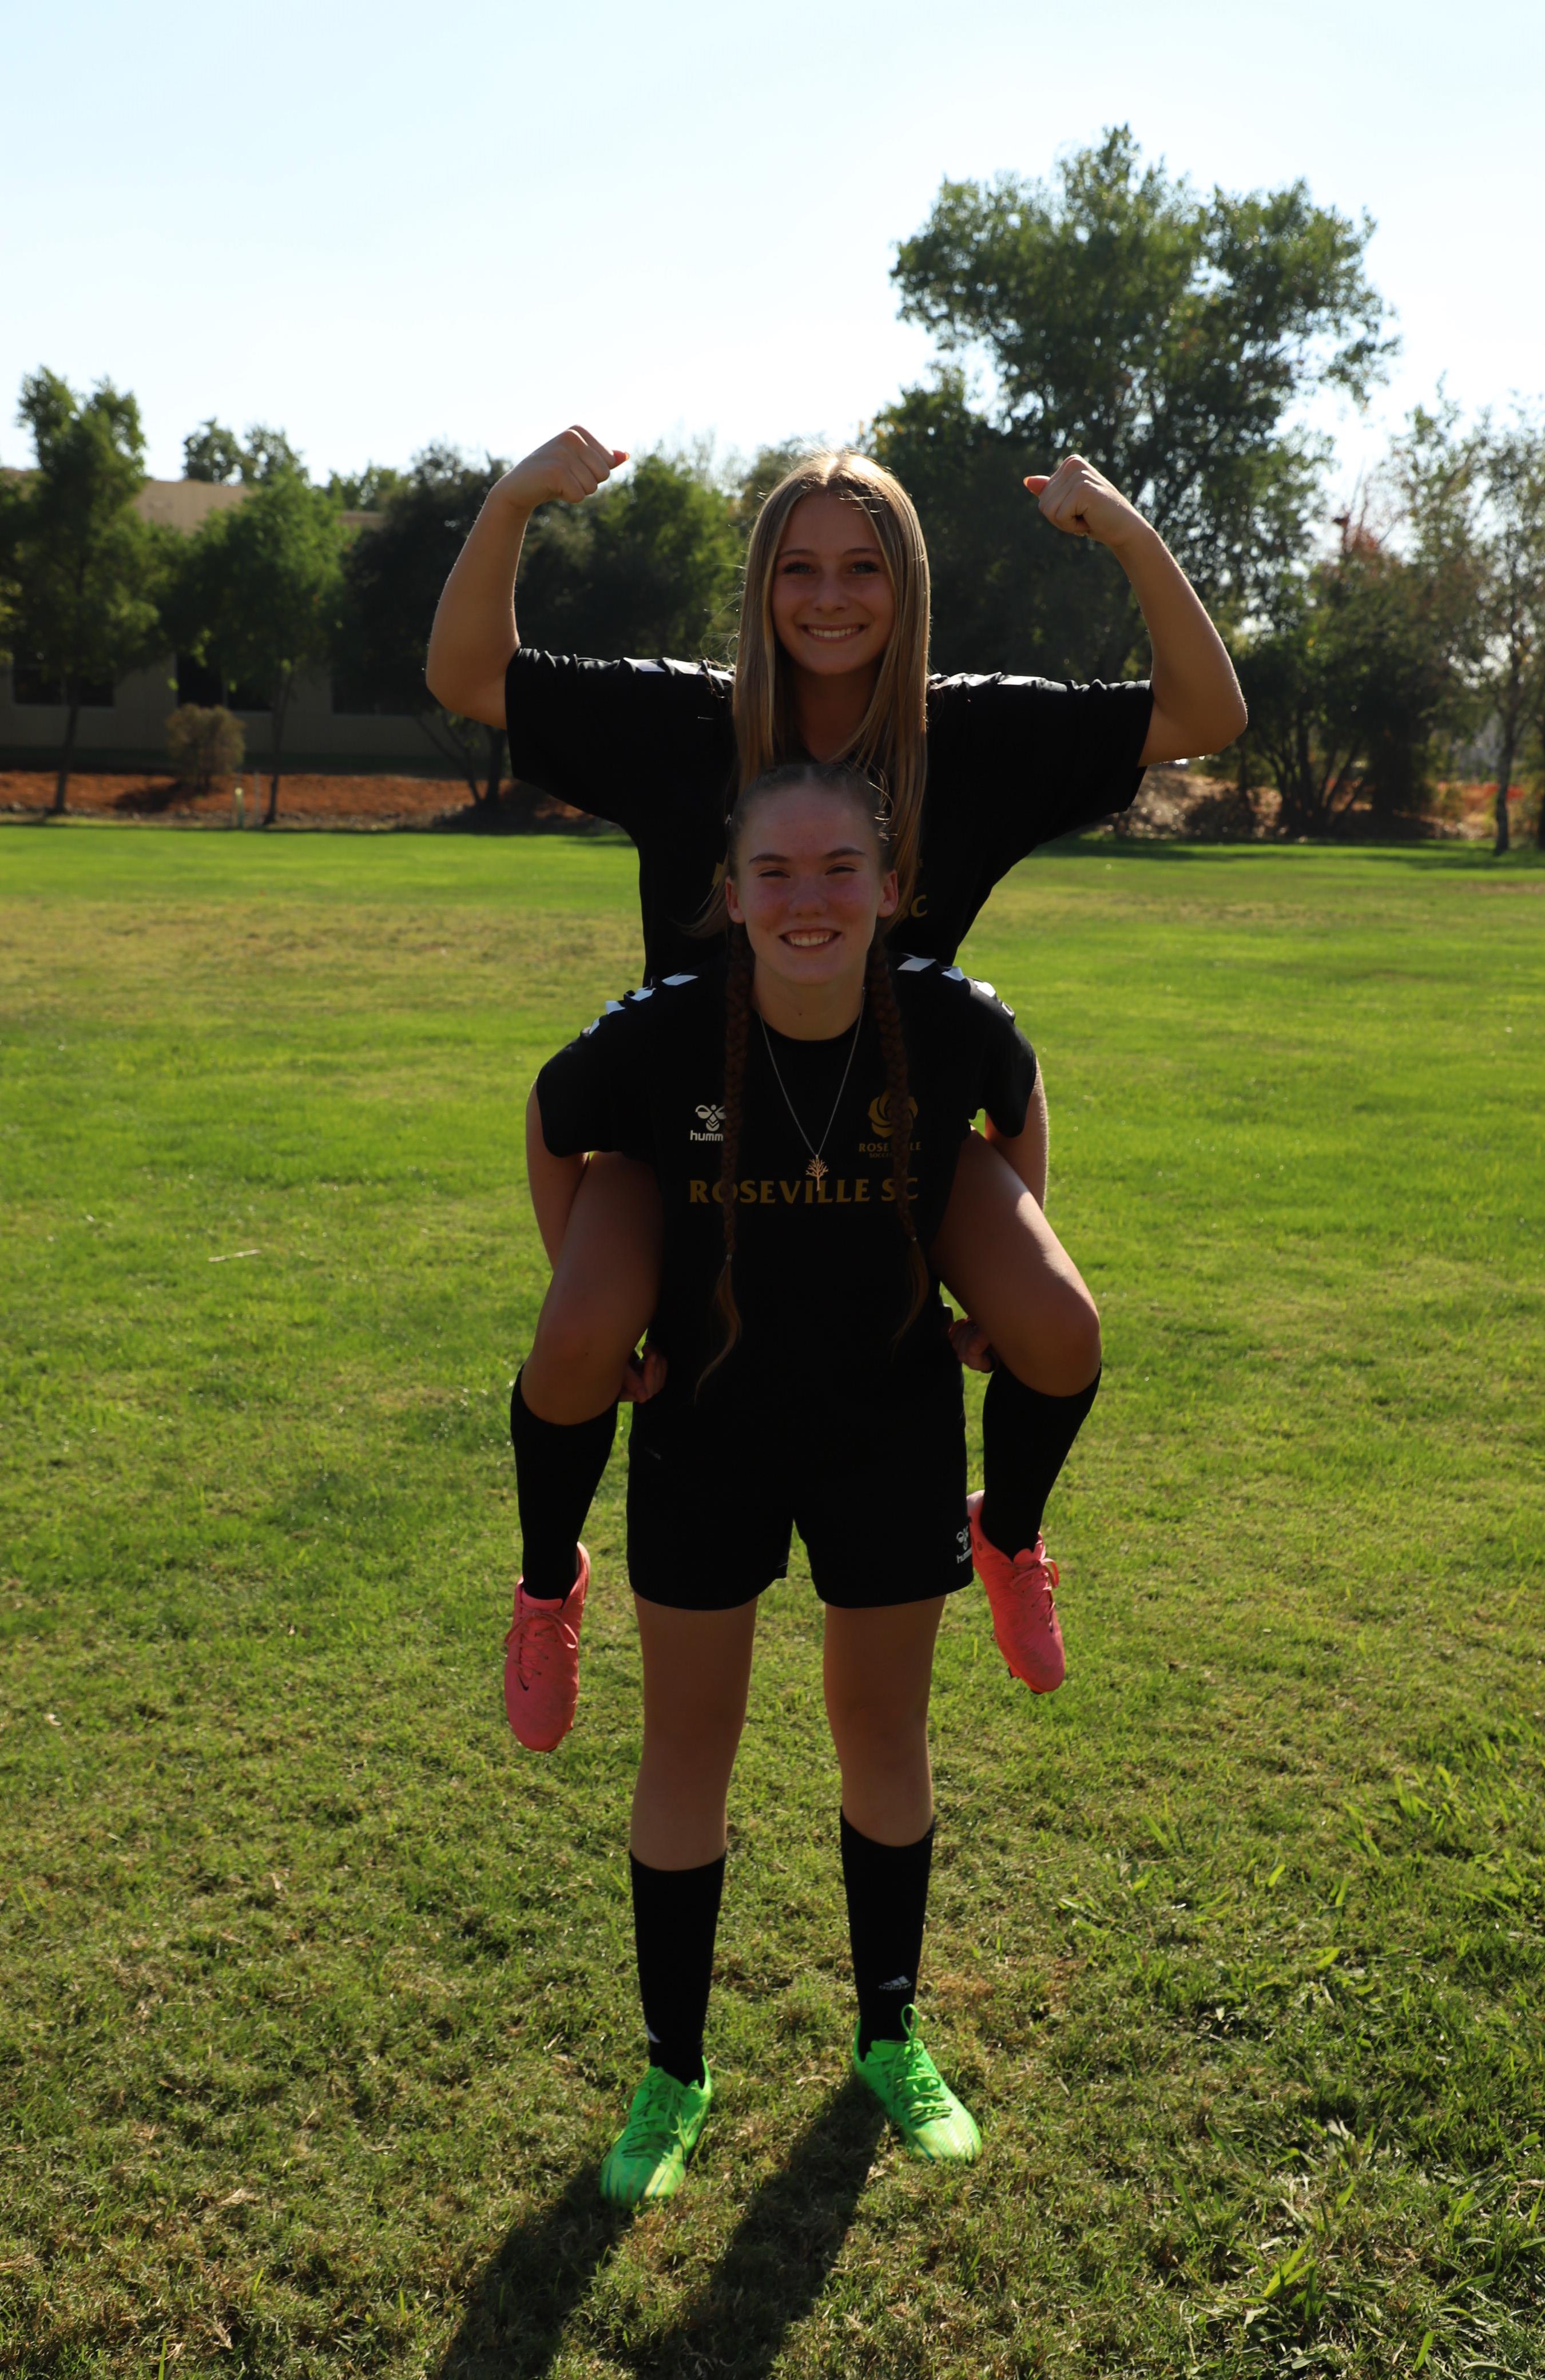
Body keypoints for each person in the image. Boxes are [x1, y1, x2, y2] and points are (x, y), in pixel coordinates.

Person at [428, 429, 1245, 1747]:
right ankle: (544, 1586)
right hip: (687, 1125)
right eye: (798, 567)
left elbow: (1206, 717)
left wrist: (1127, 533)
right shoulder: (687, 722)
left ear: (905, 583)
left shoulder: (964, 734)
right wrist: (518, 499)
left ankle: (1008, 1533)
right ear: (761, 585)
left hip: (894, 1124)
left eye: (862, 566)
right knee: (576, 1339)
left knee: (1054, 1327)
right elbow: (466, 674)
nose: (828, 595)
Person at [525, 761, 1045, 2200]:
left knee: (881, 1728)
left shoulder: (948, 1018)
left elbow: (1018, 1106)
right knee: (688, 1740)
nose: (805, 898)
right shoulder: (668, 1027)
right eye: (774, 872)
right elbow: (553, 1120)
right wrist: (597, 1300)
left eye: (837, 869)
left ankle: (890, 2034)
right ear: (731, 894)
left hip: (889, 1424)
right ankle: (672, 2071)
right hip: (709, 1425)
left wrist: (996, 1284)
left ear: (890, 888)